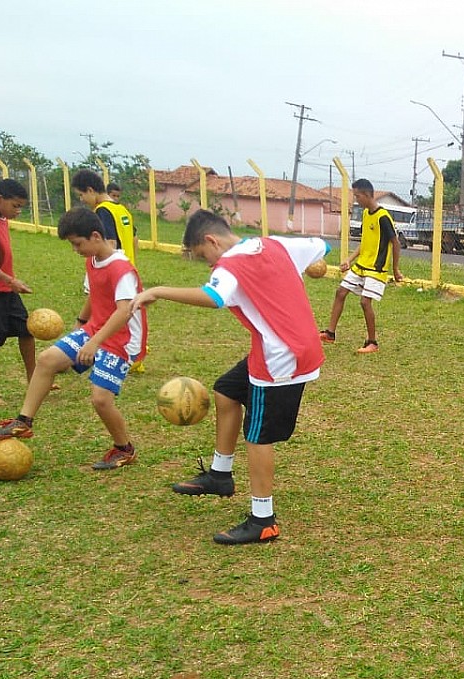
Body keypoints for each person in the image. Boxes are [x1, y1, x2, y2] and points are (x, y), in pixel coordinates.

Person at [133, 210, 328, 545]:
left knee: (258, 437)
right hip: (285, 345)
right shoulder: (275, 244)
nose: (208, 265)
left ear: (211, 240)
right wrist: (308, 264)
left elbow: (214, 297)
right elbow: (322, 246)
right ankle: (220, 475)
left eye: (203, 256)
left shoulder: (230, 267)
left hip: (280, 357)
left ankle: (263, 520)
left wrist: (159, 291)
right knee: (227, 390)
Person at [0, 207, 140, 470]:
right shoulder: (93, 259)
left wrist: (93, 343)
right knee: (47, 359)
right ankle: (24, 422)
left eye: (77, 244)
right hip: (96, 329)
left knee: (100, 399)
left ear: (95, 236)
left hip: (121, 339)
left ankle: (124, 448)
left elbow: (124, 311)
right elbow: (95, 296)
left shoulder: (121, 268)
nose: (75, 249)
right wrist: (82, 325)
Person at [71, 169, 148, 371]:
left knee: (112, 313)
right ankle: (133, 358)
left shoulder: (102, 211)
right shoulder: (121, 209)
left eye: (81, 195)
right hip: (126, 268)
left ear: (90, 190)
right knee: (128, 317)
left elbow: (110, 242)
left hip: (114, 272)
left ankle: (110, 352)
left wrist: (105, 267)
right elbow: (134, 239)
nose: (82, 199)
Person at [319, 178, 403, 354]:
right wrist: (349, 259)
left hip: (377, 268)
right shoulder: (366, 214)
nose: (356, 200)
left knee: (365, 302)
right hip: (362, 265)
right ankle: (330, 333)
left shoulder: (383, 217)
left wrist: (395, 269)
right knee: (340, 292)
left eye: (357, 196)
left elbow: (396, 243)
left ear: (366, 195)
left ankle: (372, 342)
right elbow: (365, 243)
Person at [0, 179, 35, 407]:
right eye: (15, 206)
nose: (18, 211)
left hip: (6, 287)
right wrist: (10, 280)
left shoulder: (2, 218)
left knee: (26, 329)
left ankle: (34, 379)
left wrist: (10, 281)